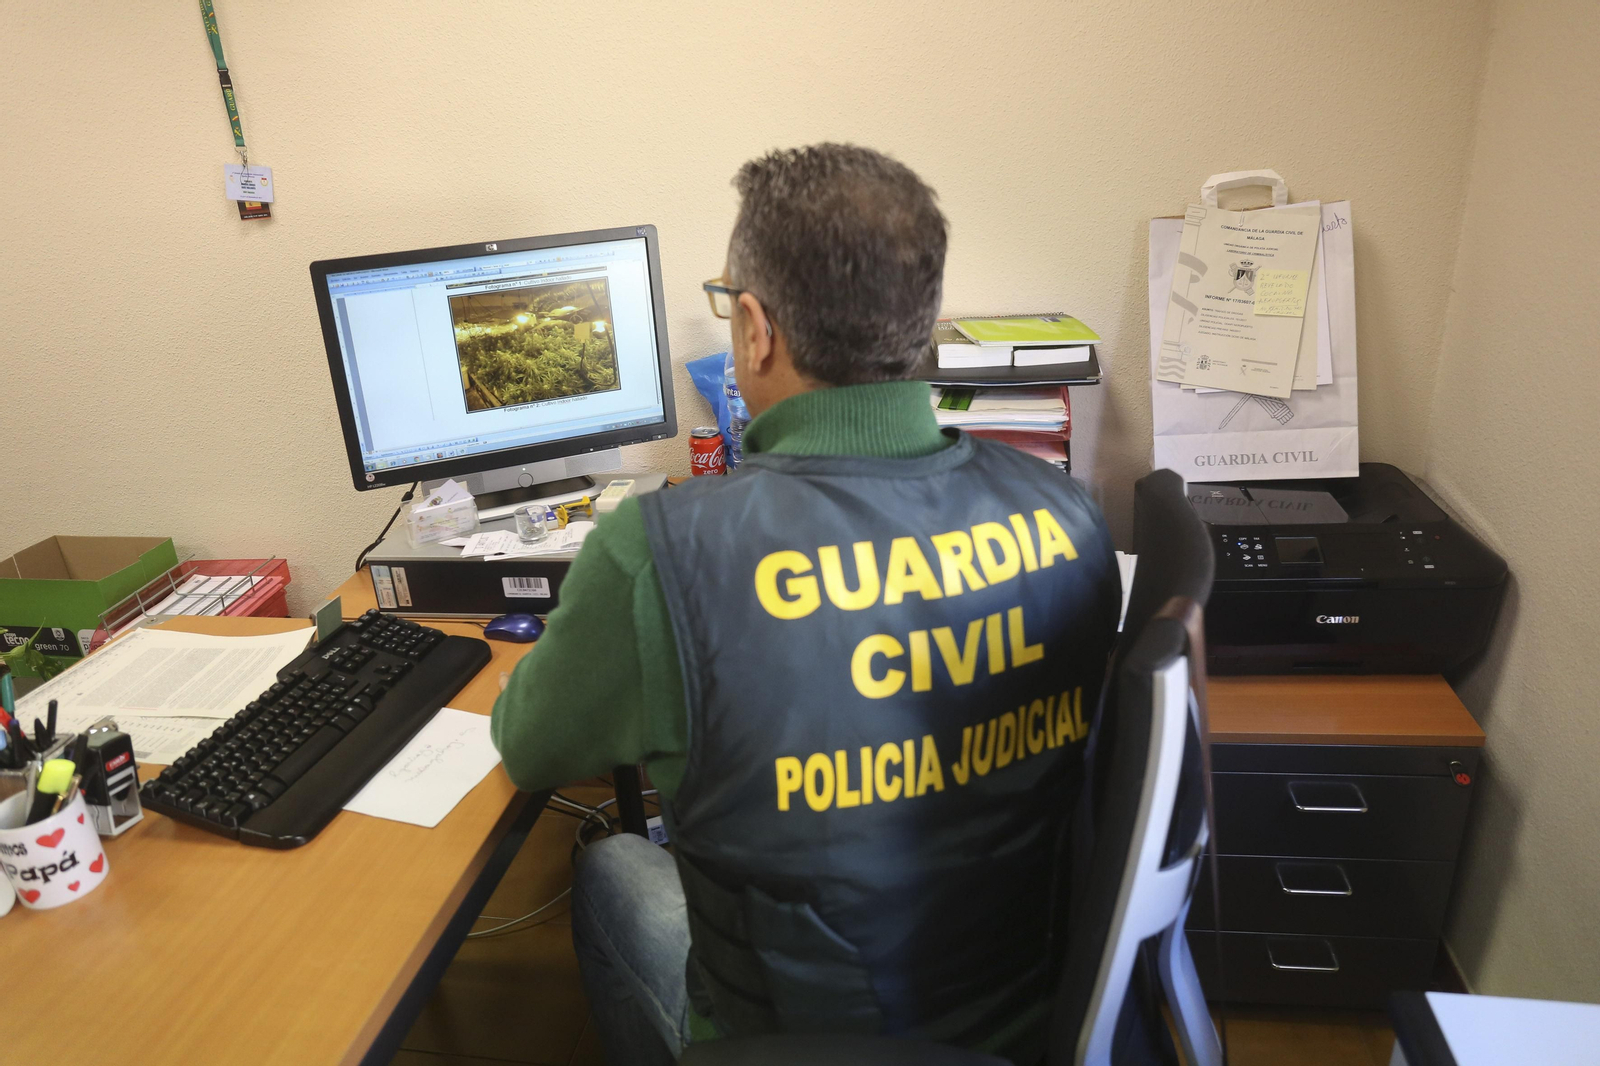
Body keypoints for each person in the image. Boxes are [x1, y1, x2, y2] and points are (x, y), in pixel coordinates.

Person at [491, 143, 1121, 1065]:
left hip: (795, 1041)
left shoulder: (658, 557)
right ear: (926, 321)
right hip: (1028, 1024)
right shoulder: (1070, 515)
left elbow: (530, 746)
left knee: (613, 865)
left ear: (755, 329)